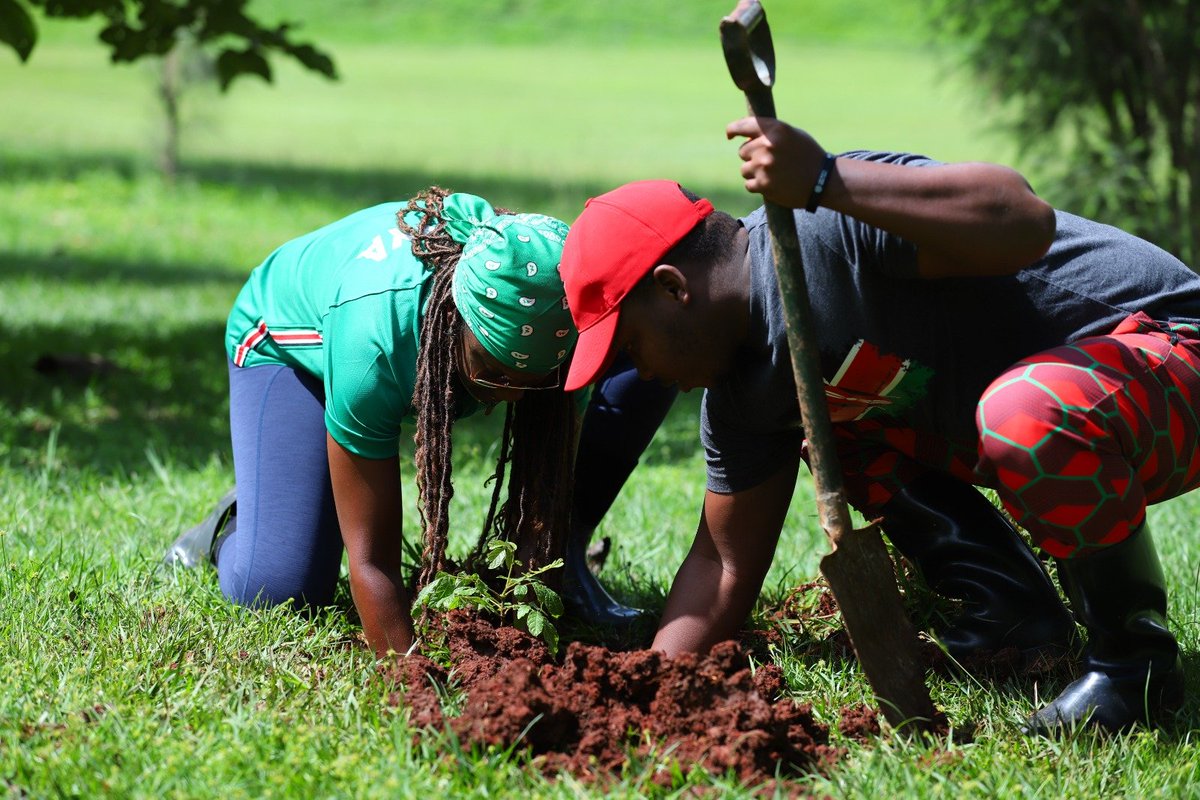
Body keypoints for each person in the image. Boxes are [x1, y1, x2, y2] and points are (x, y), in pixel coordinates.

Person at [557, 115, 1200, 735]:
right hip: (1057, 419)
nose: (639, 373)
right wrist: (648, 694)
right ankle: (1011, 615)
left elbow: (1023, 217)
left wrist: (827, 178)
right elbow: (722, 563)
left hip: (1169, 360)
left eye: (631, 345)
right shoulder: (743, 397)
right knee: (832, 429)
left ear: (673, 289)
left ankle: (1131, 665)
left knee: (1021, 410)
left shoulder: (825, 227)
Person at [164, 187, 581, 658]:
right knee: (280, 588)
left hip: (376, 336)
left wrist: (525, 640)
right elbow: (372, 561)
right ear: (453, 318)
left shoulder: (554, 316)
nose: (512, 395)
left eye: (534, 381)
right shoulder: (376, 343)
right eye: (494, 371)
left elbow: (545, 495)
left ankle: (286, 494)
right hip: (284, 344)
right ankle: (235, 520)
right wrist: (410, 677)